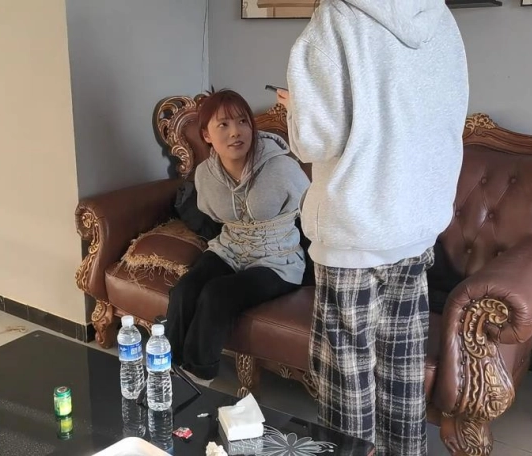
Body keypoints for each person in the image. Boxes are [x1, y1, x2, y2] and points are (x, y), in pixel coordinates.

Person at [276, 1, 469, 455]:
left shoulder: (337, 18)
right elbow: (450, 116)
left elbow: (316, 139)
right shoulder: (440, 18)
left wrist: (296, 107)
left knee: (346, 383)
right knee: (402, 374)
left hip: (354, 231)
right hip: (415, 228)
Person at [166, 89, 310, 386]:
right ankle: (167, 369)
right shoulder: (205, 174)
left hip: (277, 258)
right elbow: (213, 216)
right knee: (185, 289)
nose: (236, 132)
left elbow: (310, 210)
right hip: (230, 248)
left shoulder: (282, 167)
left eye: (243, 121)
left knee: (217, 294)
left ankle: (198, 377)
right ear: (206, 135)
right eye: (223, 124)